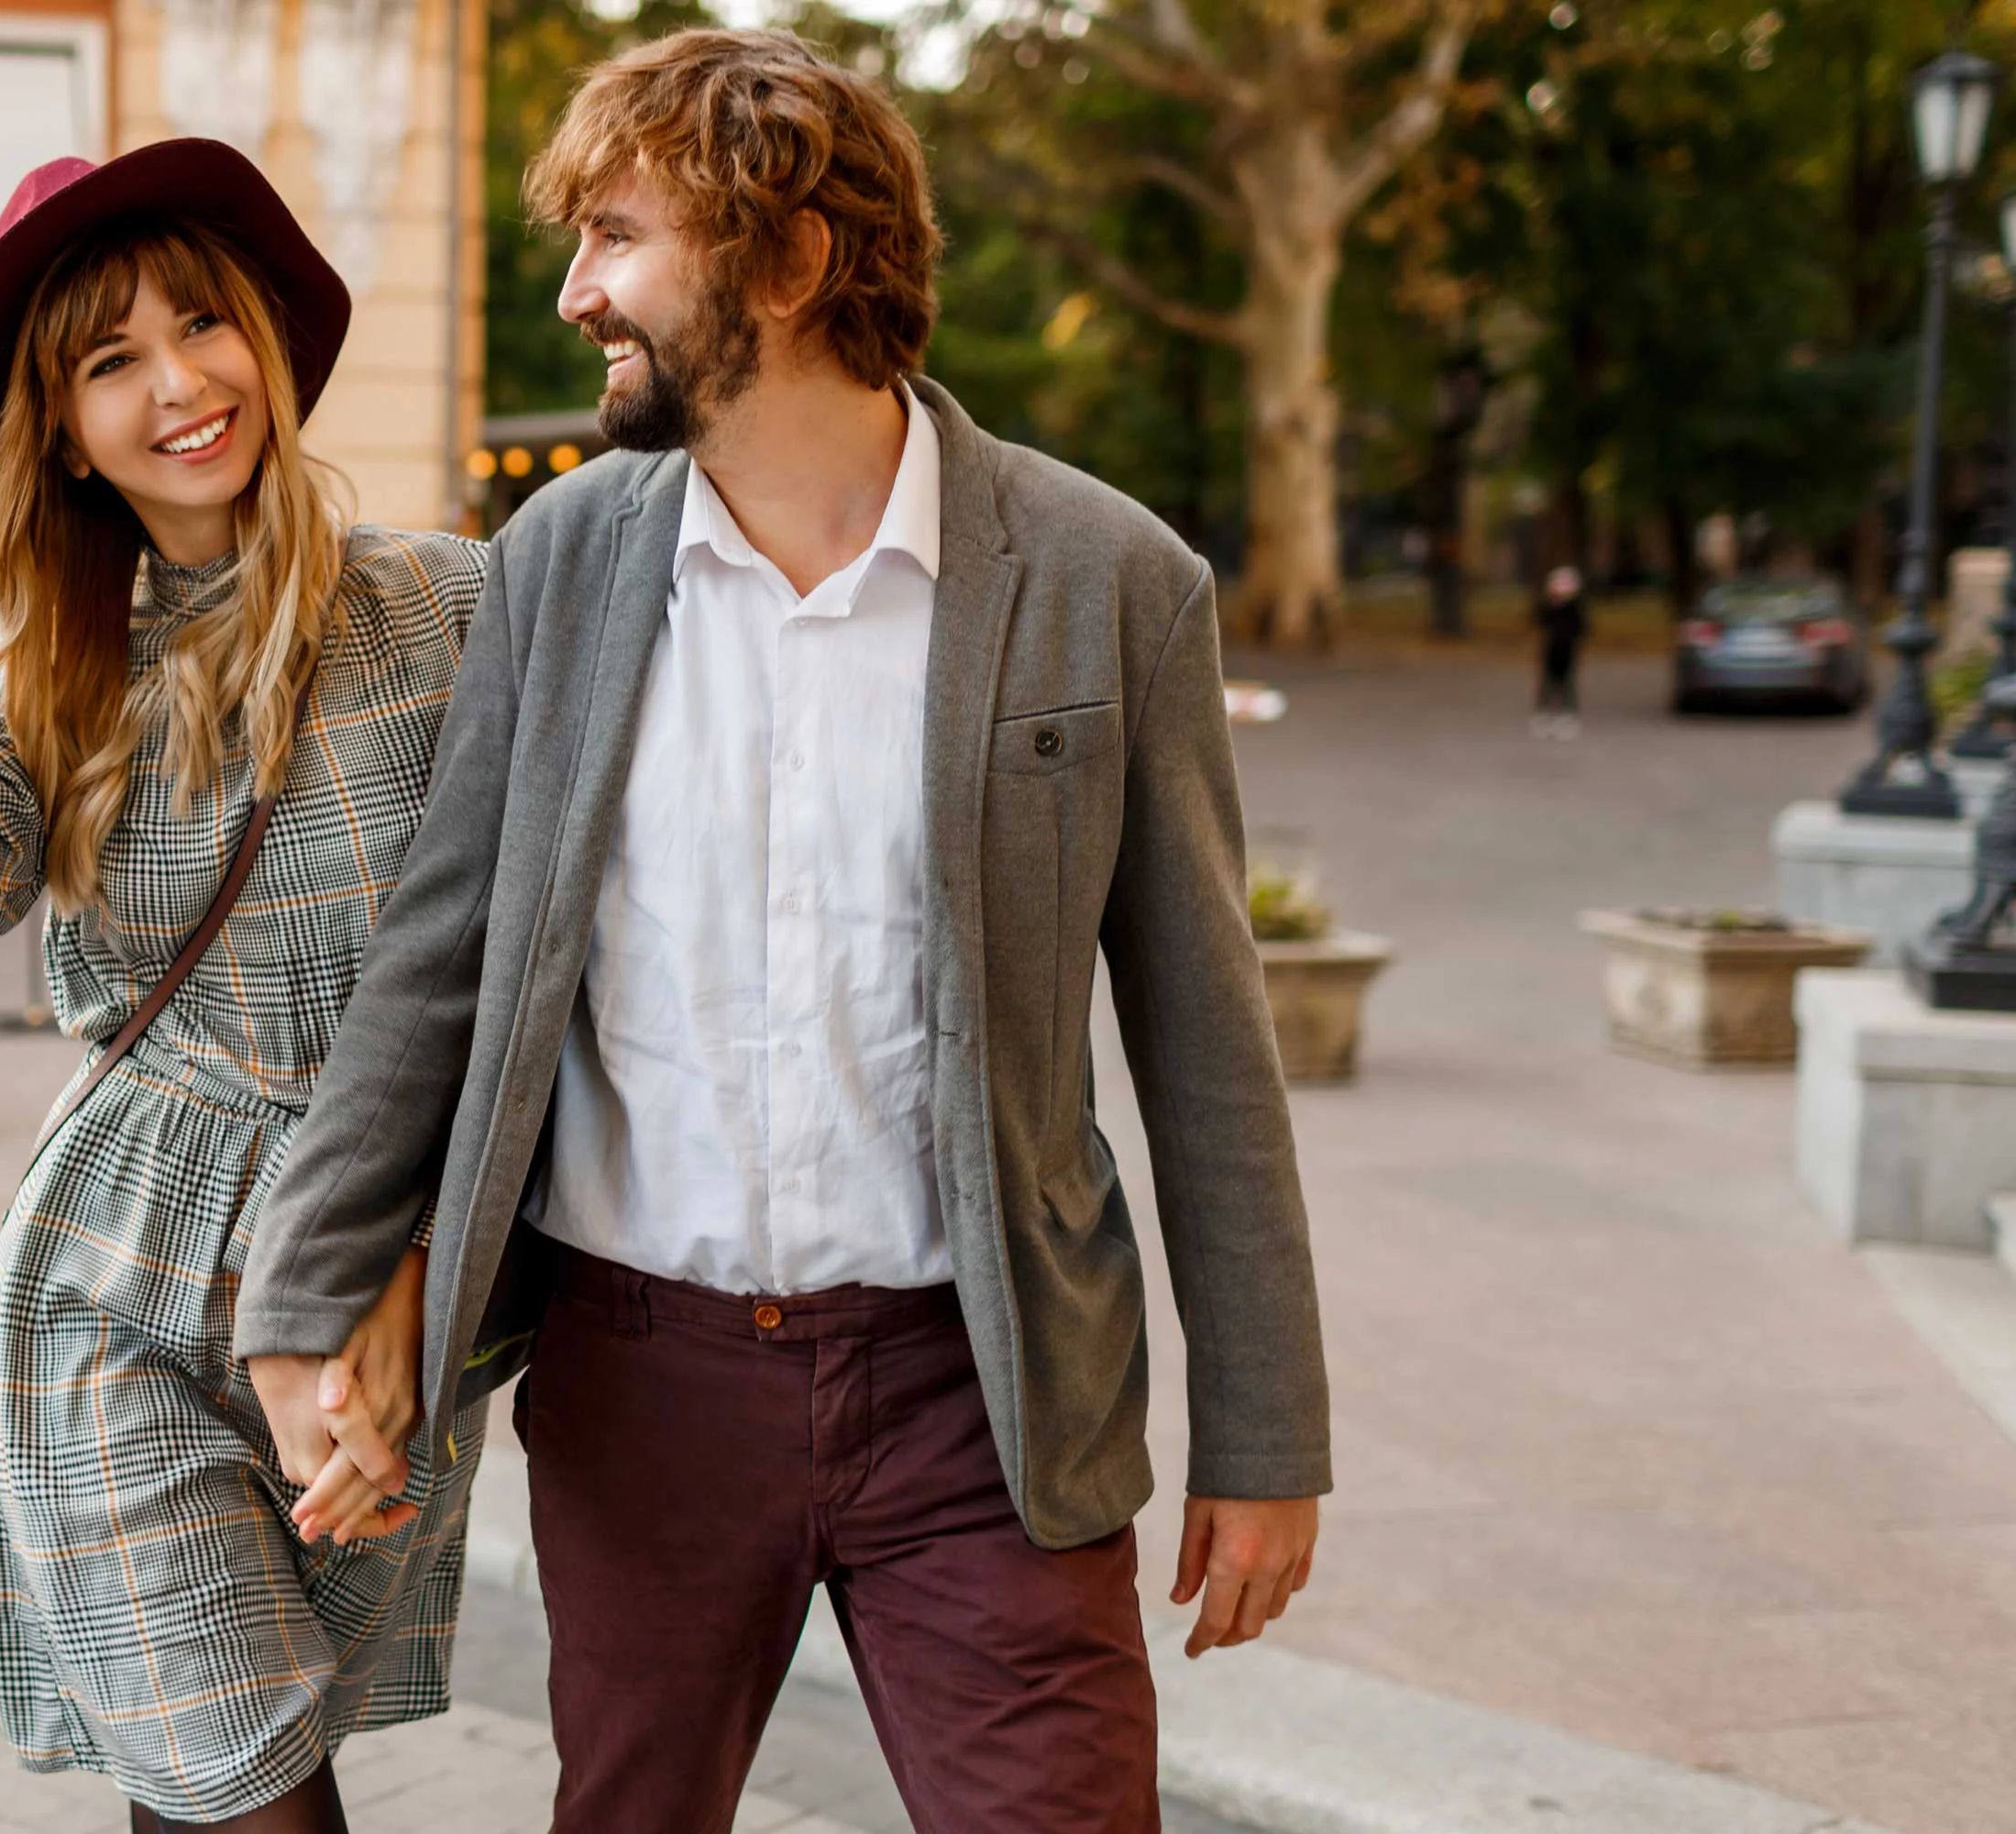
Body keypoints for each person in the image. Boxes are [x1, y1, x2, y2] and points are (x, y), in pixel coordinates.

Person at [235, 30, 1332, 1833]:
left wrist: (1267, 1433)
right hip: (640, 1381)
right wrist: (304, 1291)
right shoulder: (563, 564)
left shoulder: (1108, 580)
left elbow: (1211, 1043)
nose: (580, 291)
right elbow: (440, 966)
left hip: (985, 1391)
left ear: (795, 258)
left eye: (616, 237)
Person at [0, 140, 487, 1834]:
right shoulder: (49, 686)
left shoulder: (452, 609)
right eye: (107, 361)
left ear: (264, 335)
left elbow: (518, 981)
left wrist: (411, 1278)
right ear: (61, 427)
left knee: (205, 1792)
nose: (180, 385)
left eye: (200, 326)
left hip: (365, 1289)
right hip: (110, 1309)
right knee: (251, 1798)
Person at [1534, 562, 1588, 738]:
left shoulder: (1574, 610)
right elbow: (1541, 621)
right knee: (1547, 684)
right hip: (1551, 651)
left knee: (1567, 684)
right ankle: (1543, 714)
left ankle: (1567, 715)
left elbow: (1582, 628)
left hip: (1568, 652)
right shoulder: (1549, 608)